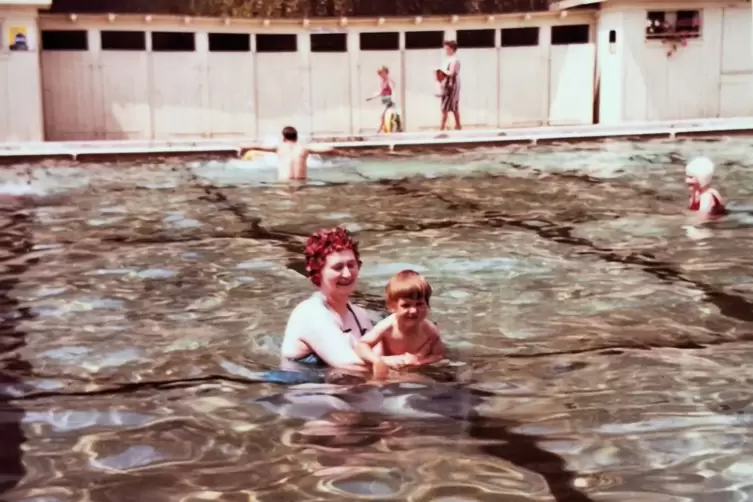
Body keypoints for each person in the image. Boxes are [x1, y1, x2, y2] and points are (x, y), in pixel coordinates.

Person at [281, 227, 420, 371]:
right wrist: (399, 360)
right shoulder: (310, 313)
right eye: (338, 267)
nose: (347, 274)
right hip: (311, 390)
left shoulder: (360, 316)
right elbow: (348, 363)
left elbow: (377, 358)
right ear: (318, 273)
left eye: (351, 265)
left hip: (347, 387)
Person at [355, 270, 445, 378]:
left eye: (419, 304)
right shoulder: (388, 327)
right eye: (406, 305)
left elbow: (438, 355)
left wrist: (420, 362)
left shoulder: (429, 329)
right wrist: (379, 360)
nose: (413, 311)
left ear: (427, 305)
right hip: (388, 362)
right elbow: (361, 345)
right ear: (391, 306)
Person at [243, 126, 335, 181]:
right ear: (296, 137)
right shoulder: (304, 149)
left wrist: (243, 149)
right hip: (301, 182)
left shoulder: (279, 148)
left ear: (283, 138)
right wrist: (345, 153)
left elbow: (256, 147)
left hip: (284, 182)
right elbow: (329, 150)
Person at [366, 66, 401, 134]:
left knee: (384, 115)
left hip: (389, 100)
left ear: (386, 73)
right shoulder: (382, 82)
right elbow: (380, 92)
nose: (381, 75)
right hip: (384, 100)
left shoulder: (389, 81)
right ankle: (387, 128)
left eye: (382, 73)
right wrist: (371, 97)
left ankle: (380, 129)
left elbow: (393, 91)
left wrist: (393, 100)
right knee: (385, 115)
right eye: (380, 74)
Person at [439, 40, 462, 131]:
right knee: (447, 106)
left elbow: (451, 73)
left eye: (447, 49)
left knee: (450, 106)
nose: (446, 51)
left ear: (452, 49)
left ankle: (444, 127)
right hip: (446, 84)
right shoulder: (448, 60)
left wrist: (441, 70)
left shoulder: (454, 60)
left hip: (452, 84)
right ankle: (457, 125)